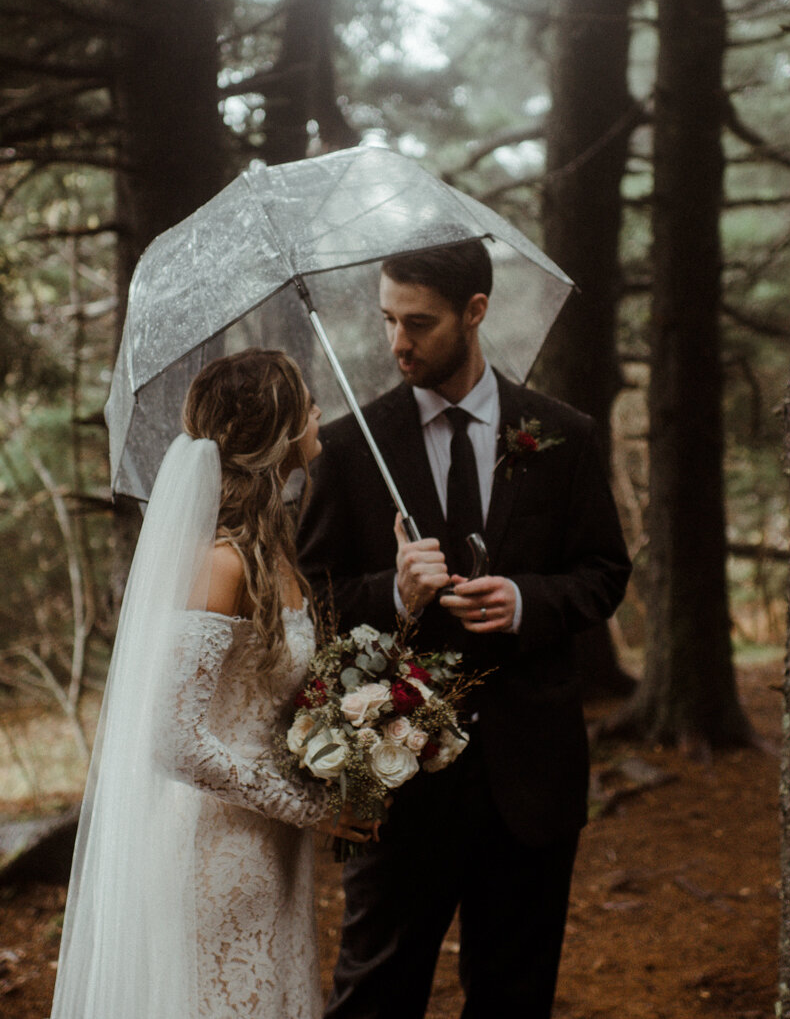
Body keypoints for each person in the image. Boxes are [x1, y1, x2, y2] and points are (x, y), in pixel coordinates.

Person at [298, 240, 632, 1019]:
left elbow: (604, 571)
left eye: (419, 322)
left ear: (475, 312)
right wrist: (395, 593)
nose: (397, 342)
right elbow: (310, 601)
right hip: (397, 776)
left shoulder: (562, 434)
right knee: (374, 993)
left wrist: (524, 600)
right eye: (387, 320)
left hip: (533, 779)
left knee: (515, 999)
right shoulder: (350, 448)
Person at [51, 349, 374, 1019]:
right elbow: (173, 740)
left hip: (268, 847)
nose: (319, 411)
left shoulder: (273, 550)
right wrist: (309, 806)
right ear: (276, 428)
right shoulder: (221, 564)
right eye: (305, 401)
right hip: (213, 852)